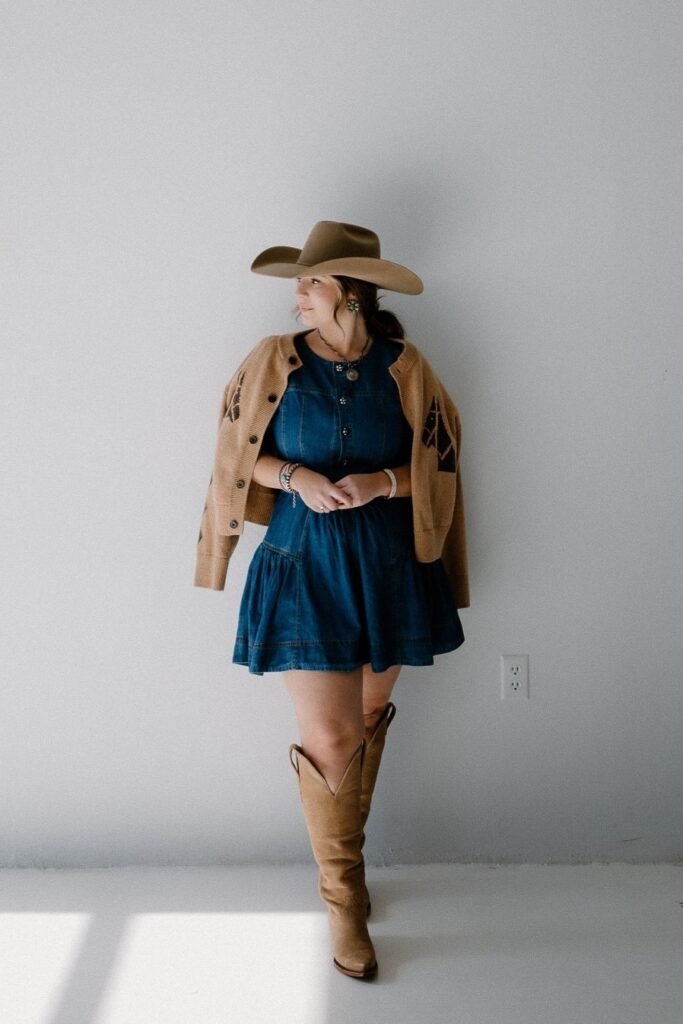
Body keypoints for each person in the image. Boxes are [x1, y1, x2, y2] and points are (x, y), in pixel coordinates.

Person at [193, 220, 470, 981]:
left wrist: (383, 482)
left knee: (369, 718)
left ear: (349, 291)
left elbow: (442, 465)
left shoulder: (405, 367)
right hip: (302, 567)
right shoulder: (272, 362)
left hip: (389, 569)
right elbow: (233, 457)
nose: (297, 293)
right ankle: (343, 899)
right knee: (331, 738)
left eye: (311, 281)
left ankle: (349, 876)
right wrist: (296, 479)